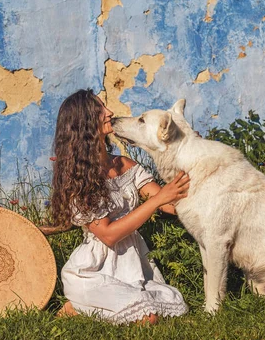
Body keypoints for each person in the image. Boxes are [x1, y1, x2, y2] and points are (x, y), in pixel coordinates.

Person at [50, 89, 190, 325]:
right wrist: (156, 201)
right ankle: (78, 305)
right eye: (100, 110)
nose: (110, 112)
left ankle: (84, 308)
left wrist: (188, 153)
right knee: (149, 318)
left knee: (172, 303)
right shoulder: (78, 177)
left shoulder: (125, 164)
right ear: (83, 123)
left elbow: (170, 205)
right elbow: (108, 235)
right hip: (94, 269)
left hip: (133, 264)